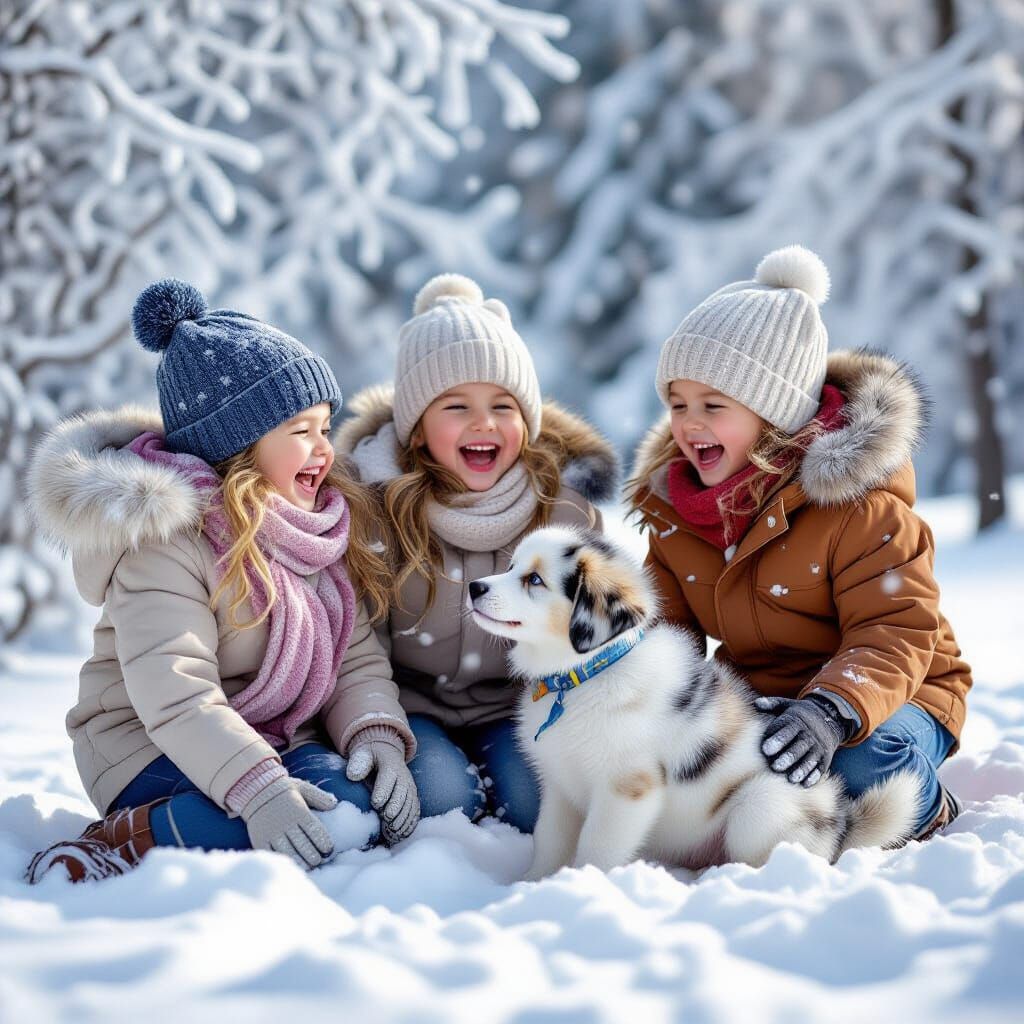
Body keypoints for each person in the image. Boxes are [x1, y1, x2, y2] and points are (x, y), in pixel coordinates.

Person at [26, 279, 418, 883]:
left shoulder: (315, 525)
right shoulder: (168, 545)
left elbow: (353, 660)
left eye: (324, 426)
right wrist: (258, 789)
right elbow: (177, 693)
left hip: (269, 735)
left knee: (348, 806)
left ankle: (234, 808)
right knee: (296, 822)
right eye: (300, 432)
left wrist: (376, 734)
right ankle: (127, 841)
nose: (324, 450)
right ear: (239, 442)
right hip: (145, 745)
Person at [626, 245, 972, 841]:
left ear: (776, 413)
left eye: (714, 405)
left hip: (892, 696)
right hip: (762, 698)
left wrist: (830, 710)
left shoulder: (861, 507)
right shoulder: (680, 515)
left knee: (857, 768)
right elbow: (667, 633)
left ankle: (929, 803)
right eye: (678, 404)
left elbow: (896, 630)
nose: (688, 423)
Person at [335, 273, 619, 832]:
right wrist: (377, 729)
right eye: (457, 406)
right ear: (416, 431)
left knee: (536, 810)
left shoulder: (563, 515)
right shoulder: (378, 513)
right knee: (444, 805)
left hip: (519, 709)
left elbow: (598, 637)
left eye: (503, 405)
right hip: (413, 710)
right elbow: (355, 644)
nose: (484, 423)